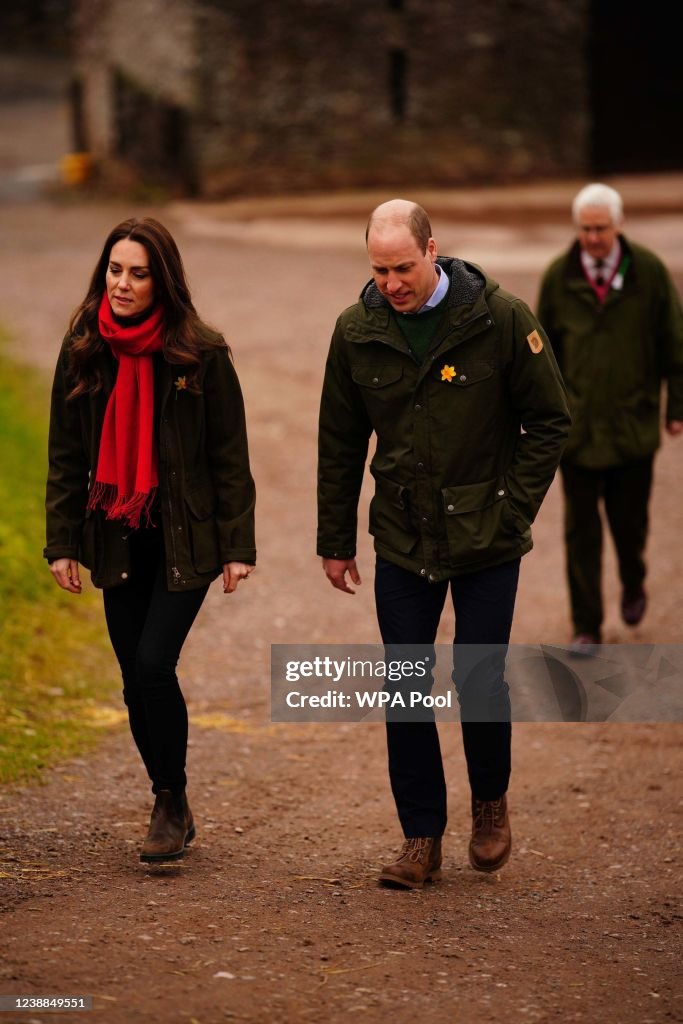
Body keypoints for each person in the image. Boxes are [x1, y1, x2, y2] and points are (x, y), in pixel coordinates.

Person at [317, 199, 570, 888]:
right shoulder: (356, 331)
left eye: (402, 267)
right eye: (378, 269)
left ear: (433, 252)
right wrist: (334, 539)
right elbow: (339, 444)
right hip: (402, 535)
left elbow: (549, 420)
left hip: (487, 535)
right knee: (405, 686)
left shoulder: (499, 317)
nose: (391, 283)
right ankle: (419, 837)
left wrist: (511, 504)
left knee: (478, 677)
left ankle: (489, 805)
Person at [45, 217, 256, 863]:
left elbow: (229, 456)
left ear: (161, 279)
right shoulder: (85, 346)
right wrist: (62, 541)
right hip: (114, 530)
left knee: (151, 666)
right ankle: (172, 797)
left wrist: (236, 545)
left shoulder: (200, 353)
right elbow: (66, 453)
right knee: (132, 681)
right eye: (115, 270)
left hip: (180, 537)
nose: (123, 284)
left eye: (138, 273)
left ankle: (169, 801)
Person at [537, 183, 683, 653]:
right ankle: (587, 626)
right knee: (581, 531)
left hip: (631, 427)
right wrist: (541, 415)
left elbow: (674, 345)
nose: (593, 237)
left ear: (618, 225)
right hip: (576, 432)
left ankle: (634, 579)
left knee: (629, 523)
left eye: (600, 228)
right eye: (585, 229)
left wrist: (675, 408)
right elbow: (541, 356)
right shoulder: (559, 277)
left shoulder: (650, 273)